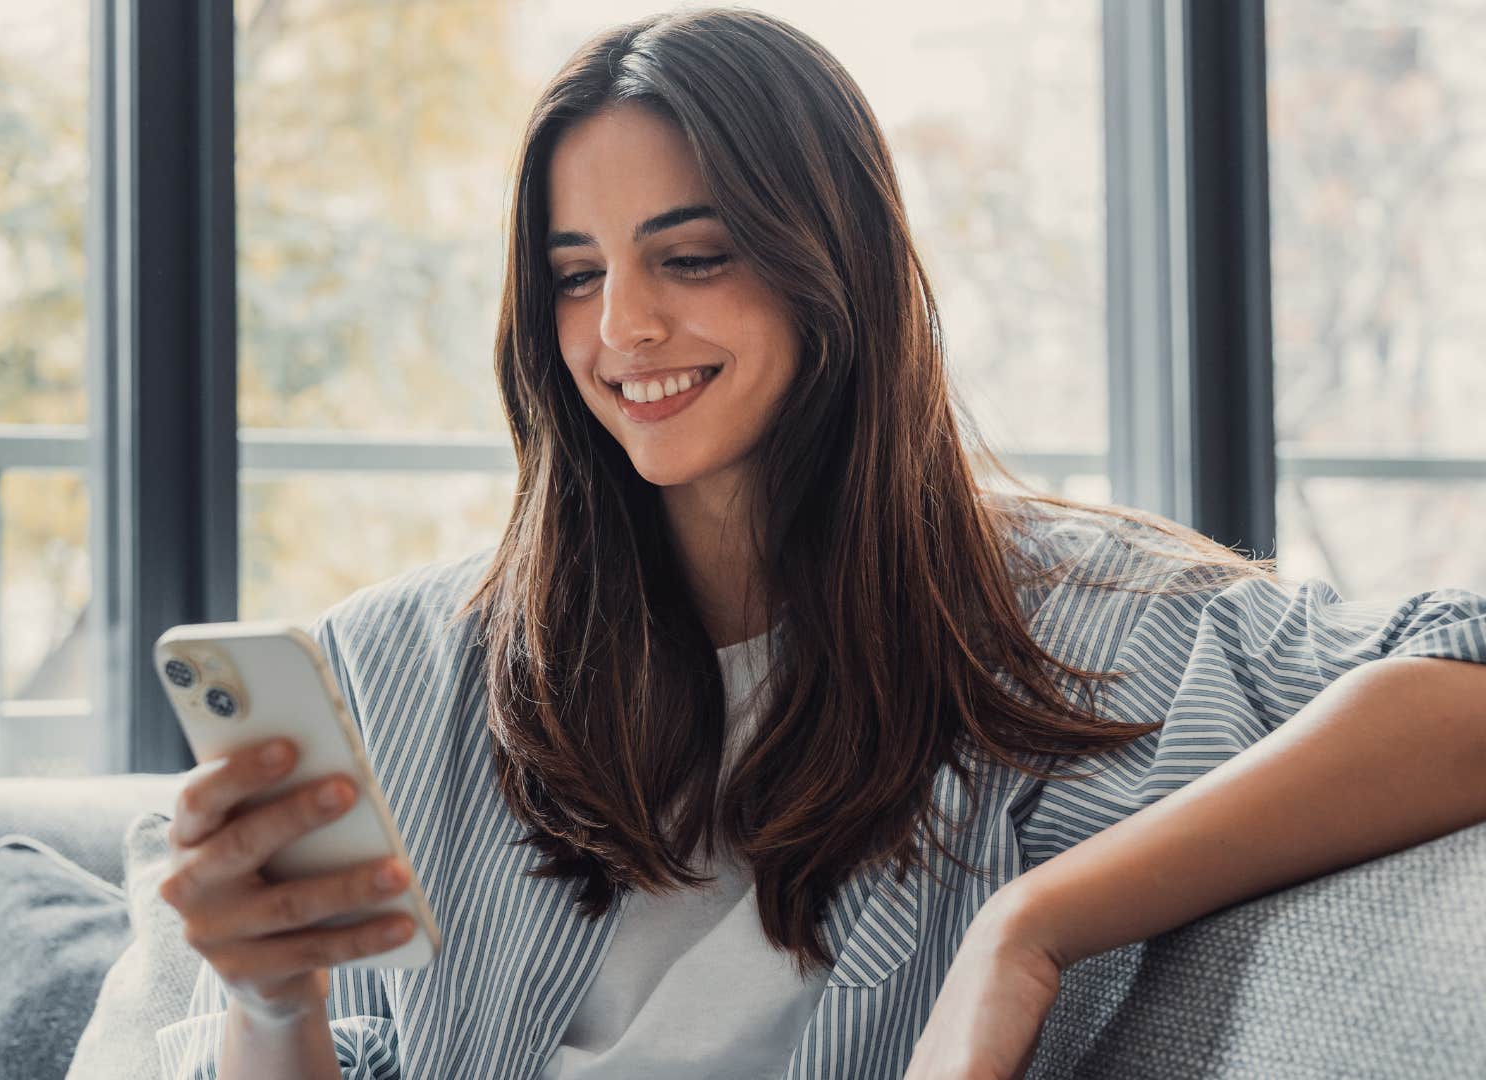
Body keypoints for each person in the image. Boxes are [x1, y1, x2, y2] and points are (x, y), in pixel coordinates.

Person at [152, 8, 1486, 1079]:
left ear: (828, 262)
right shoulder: (397, 671)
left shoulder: (1056, 624)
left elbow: (1462, 686)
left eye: (692, 257)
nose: (621, 328)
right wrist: (273, 1006)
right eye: (575, 273)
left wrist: (1032, 927)